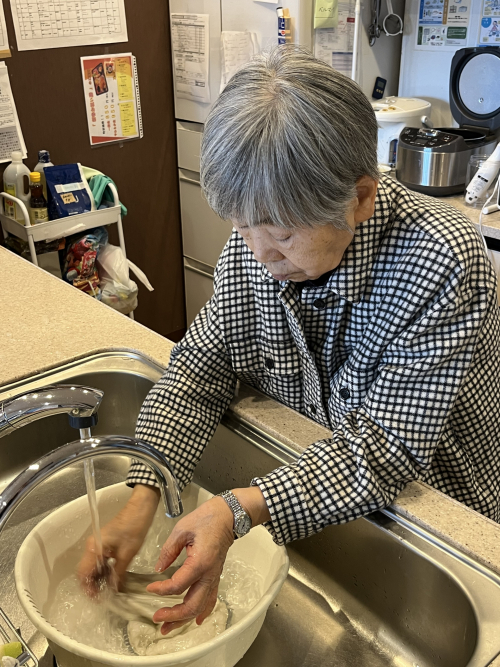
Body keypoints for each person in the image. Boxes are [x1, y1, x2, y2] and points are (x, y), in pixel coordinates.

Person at [79, 46, 500, 636]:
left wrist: (236, 510)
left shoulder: (441, 258)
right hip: (324, 477)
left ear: (359, 198)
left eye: (280, 234)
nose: (258, 253)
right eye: (241, 226)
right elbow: (200, 370)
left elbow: (385, 451)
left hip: (446, 517)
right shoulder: (255, 248)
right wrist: (142, 494)